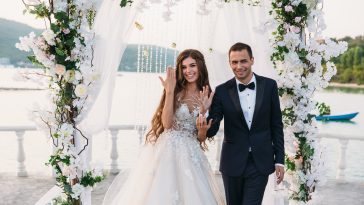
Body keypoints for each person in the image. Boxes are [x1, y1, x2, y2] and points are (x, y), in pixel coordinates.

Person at [103, 49, 225, 205]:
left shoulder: (209, 95)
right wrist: (169, 91)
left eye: (192, 65)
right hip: (167, 150)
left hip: (191, 154)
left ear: (200, 66)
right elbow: (167, 124)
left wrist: (202, 118)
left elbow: (201, 137)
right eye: (184, 67)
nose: (188, 71)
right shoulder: (175, 89)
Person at [197, 42, 285, 205]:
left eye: (243, 61)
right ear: (230, 63)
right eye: (234, 62)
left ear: (252, 60)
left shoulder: (270, 86)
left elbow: (276, 125)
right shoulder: (222, 91)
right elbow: (212, 130)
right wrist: (204, 112)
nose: (239, 66)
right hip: (232, 162)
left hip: (261, 162)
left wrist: (279, 159)